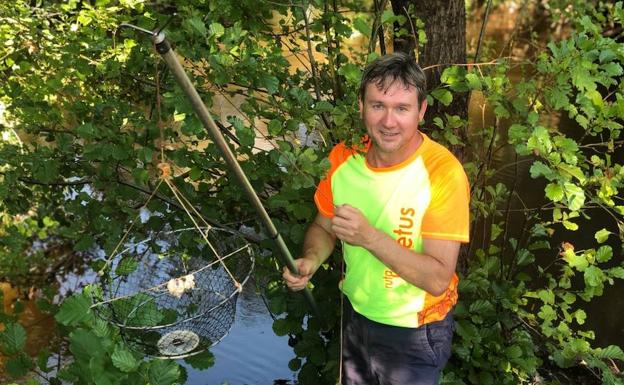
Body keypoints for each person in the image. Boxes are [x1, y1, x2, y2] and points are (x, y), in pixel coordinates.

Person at [282, 52, 470, 385]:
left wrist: (369, 237)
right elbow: (324, 226)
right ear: (361, 106)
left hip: (415, 332)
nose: (388, 121)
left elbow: (438, 279)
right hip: (358, 319)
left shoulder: (442, 173)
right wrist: (311, 259)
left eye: (402, 108)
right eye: (378, 105)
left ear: (421, 111)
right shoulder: (343, 158)